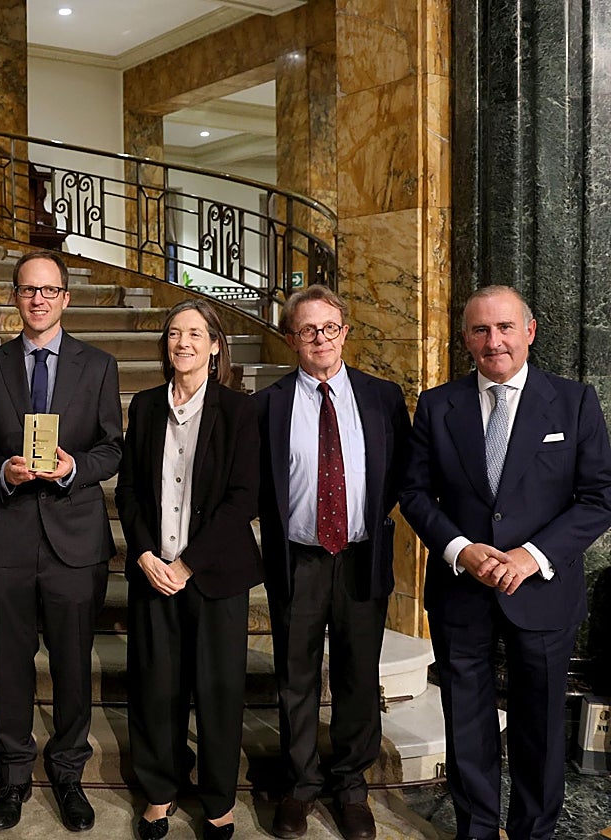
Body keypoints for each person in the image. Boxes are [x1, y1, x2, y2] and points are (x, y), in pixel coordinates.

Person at [400, 284, 611, 840]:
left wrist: (530, 555)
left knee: (539, 726)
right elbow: (415, 493)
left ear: (529, 330)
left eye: (505, 327)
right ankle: (474, 830)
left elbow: (597, 498)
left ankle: (533, 832)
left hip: (542, 590)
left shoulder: (574, 401)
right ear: (466, 338)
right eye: (480, 330)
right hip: (461, 590)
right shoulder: (438, 404)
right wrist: (460, 550)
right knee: (466, 724)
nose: (494, 341)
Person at [0, 250, 122, 832]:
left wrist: (75, 466)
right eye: (28, 290)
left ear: (65, 299)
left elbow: (113, 447)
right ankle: (13, 775)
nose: (39, 300)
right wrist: (3, 469)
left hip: (75, 540)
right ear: (15, 296)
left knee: (74, 665)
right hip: (6, 539)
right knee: (10, 664)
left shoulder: (99, 365)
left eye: (49, 290)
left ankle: (69, 771)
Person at [254, 285, 410, 840]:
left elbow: (399, 472)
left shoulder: (384, 396)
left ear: (345, 331)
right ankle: (299, 786)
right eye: (306, 330)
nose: (319, 339)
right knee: (295, 677)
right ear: (291, 337)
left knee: (356, 675)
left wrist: (360, 518)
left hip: (361, 554)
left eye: (329, 327)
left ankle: (349, 786)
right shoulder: (268, 403)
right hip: (296, 559)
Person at [115, 299, 262, 840]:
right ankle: (160, 791)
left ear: (215, 344)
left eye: (195, 334)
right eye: (175, 334)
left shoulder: (239, 410)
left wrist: (189, 563)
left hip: (213, 576)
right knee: (157, 688)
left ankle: (219, 798)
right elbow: (129, 488)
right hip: (155, 571)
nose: (183, 343)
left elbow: (243, 499)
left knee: (218, 690)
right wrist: (148, 554)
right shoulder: (147, 405)